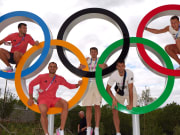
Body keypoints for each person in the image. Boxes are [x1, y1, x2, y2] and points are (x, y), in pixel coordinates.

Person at [27, 62, 82, 135]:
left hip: (53, 99)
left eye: (54, 67)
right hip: (43, 99)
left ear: (56, 68)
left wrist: (78, 84)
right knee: (43, 111)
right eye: (51, 66)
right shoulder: (42, 76)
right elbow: (31, 84)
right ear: (48, 68)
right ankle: (46, 133)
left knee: (65, 104)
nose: (52, 68)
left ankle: (61, 129)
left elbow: (69, 85)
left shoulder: (59, 78)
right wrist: (31, 98)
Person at [79, 47, 107, 135]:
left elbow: (107, 68)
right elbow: (79, 69)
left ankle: (97, 128)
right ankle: (88, 128)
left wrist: (105, 66)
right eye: (92, 52)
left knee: (97, 106)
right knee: (88, 107)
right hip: (88, 84)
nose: (93, 53)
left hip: (97, 84)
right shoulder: (86, 60)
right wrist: (80, 67)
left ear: (97, 53)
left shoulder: (100, 60)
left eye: (95, 52)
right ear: (90, 53)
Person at [106, 60, 137, 135]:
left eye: (122, 66)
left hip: (131, 92)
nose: (120, 68)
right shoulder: (113, 75)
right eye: (119, 66)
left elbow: (130, 89)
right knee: (114, 109)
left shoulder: (130, 73)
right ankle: (118, 132)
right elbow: (107, 88)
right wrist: (114, 99)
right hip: (120, 93)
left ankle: (136, 131)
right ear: (116, 67)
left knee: (134, 110)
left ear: (124, 66)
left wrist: (131, 104)